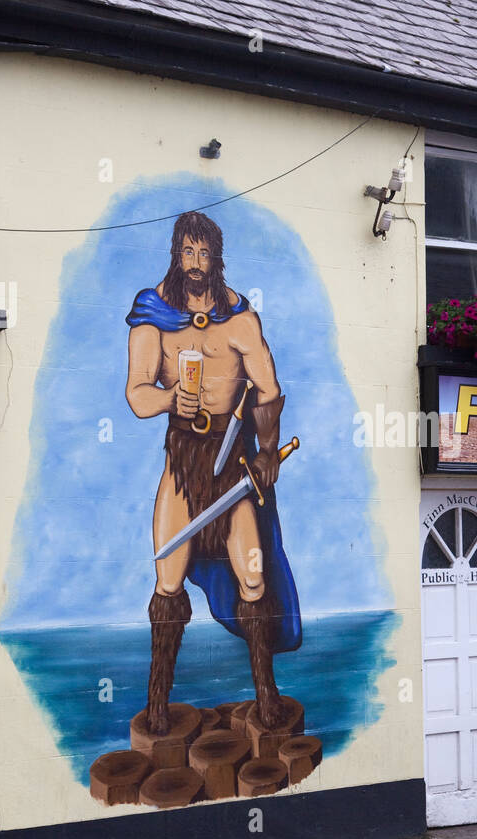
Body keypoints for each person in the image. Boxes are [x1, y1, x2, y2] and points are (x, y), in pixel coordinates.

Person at [124, 210, 298, 733]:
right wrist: (169, 398)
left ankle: (266, 695)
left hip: (233, 463)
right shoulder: (154, 314)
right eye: (188, 253)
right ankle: (158, 702)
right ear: (176, 255)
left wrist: (267, 452)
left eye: (204, 254)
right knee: (168, 578)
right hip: (183, 462)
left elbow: (266, 392)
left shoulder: (241, 319)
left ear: (216, 259)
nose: (196, 265)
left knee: (252, 574)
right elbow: (136, 394)